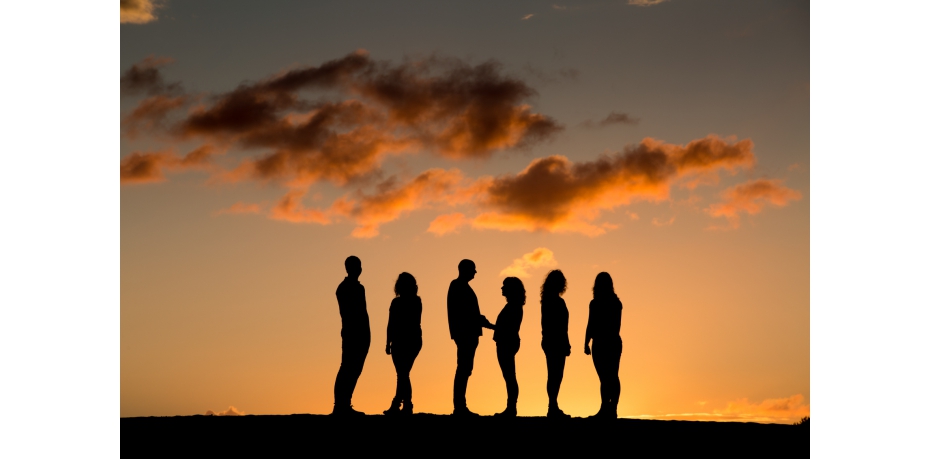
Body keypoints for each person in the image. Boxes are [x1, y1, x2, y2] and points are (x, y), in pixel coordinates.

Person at [447, 259, 495, 416]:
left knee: (465, 368)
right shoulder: (458, 286)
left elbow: (470, 314)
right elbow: (464, 313)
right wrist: (482, 322)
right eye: (473, 269)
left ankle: (460, 406)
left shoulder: (462, 287)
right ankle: (459, 407)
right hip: (465, 334)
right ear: (464, 270)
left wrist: (482, 322)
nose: (475, 272)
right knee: (463, 368)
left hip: (468, 333)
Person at [331, 256, 371, 416]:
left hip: (360, 333)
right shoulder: (345, 288)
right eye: (356, 266)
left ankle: (344, 404)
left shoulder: (357, 288)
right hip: (352, 332)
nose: (359, 269)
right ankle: (340, 405)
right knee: (347, 368)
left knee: (354, 369)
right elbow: (351, 313)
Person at [583, 272, 623, 419]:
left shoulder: (613, 303)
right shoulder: (600, 303)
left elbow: (594, 324)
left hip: (606, 343)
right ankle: (607, 407)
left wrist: (587, 342)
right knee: (606, 377)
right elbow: (590, 324)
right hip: (602, 343)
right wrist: (586, 342)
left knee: (610, 376)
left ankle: (611, 408)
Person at [384, 272, 423, 416]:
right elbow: (391, 324)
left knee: (402, 374)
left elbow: (392, 324)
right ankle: (404, 405)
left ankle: (401, 405)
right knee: (403, 374)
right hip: (409, 340)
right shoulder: (414, 301)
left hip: (405, 341)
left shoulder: (401, 303)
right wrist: (388, 342)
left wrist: (388, 343)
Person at [540, 269, 571, 418]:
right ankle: (552, 407)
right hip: (555, 342)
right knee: (555, 374)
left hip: (551, 341)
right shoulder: (555, 301)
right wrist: (565, 343)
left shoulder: (547, 300)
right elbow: (559, 326)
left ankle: (553, 405)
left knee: (554, 374)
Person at [493, 277, 525, 417]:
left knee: (510, 376)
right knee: (509, 376)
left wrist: (487, 324)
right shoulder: (514, 305)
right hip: (507, 341)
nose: (502, 288)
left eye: (504, 286)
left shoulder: (513, 306)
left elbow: (506, 328)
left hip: (507, 342)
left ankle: (511, 408)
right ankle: (511, 407)